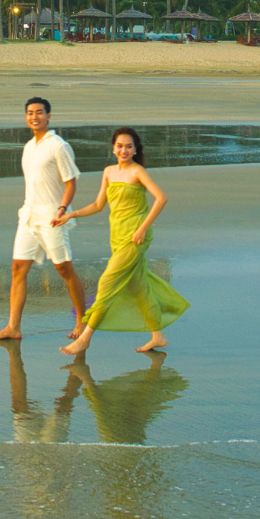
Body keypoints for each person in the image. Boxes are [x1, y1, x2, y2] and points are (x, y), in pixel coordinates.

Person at [57, 126, 188, 355]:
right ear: (113, 148)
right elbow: (98, 205)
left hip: (136, 237)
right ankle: (158, 335)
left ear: (136, 150)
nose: (124, 150)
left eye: (129, 146)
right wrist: (70, 214)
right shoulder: (108, 171)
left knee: (106, 283)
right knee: (139, 287)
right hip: (117, 236)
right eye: (120, 146)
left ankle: (86, 337)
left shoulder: (138, 171)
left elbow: (161, 198)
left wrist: (143, 228)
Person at [0, 97, 88, 342]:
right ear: (26, 117)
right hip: (29, 215)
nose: (34, 117)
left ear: (48, 116)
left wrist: (63, 208)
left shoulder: (58, 146)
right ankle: (13, 327)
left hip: (53, 215)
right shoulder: (29, 146)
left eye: (39, 112)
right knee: (18, 268)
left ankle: (82, 322)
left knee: (63, 268)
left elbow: (70, 182)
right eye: (30, 113)